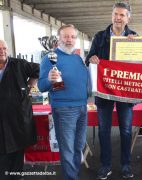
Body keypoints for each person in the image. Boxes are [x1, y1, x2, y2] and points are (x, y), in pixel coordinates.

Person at [85, 2, 137, 180]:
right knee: (104, 130)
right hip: (104, 90)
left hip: (125, 91)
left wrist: (137, 46)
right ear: (111, 15)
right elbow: (88, 58)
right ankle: (105, 165)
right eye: (115, 14)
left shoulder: (134, 36)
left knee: (126, 130)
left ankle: (126, 165)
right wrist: (91, 58)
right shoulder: (99, 37)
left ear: (128, 18)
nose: (118, 17)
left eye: (122, 15)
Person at [38, 24, 89, 180]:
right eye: (66, 36)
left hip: (82, 107)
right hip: (64, 108)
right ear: (59, 38)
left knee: (78, 147)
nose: (70, 40)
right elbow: (41, 86)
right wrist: (48, 79)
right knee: (67, 149)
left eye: (73, 37)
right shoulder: (50, 58)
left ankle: (73, 175)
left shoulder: (78, 58)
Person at [0, 39, 39, 180]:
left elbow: (38, 69)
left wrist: (30, 84)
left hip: (18, 117)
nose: (2, 51)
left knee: (17, 151)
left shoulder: (18, 64)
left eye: (4, 48)